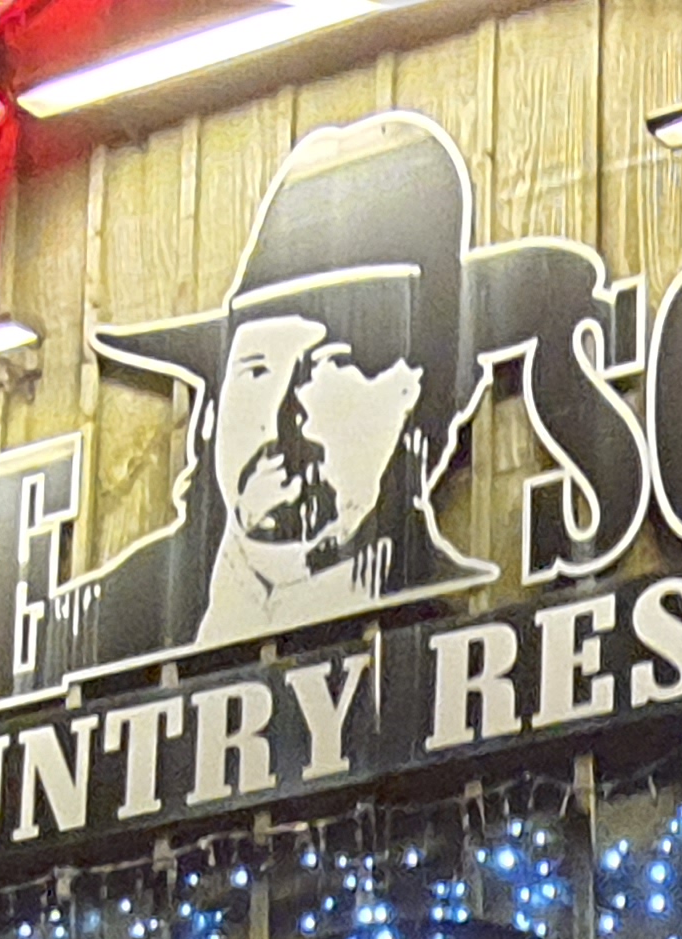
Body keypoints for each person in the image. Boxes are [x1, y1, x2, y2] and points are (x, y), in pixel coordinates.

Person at [61, 111, 499, 669]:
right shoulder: (96, 633)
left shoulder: (460, 649)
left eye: (329, 368)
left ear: (418, 401)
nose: (279, 422)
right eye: (256, 370)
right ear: (208, 416)